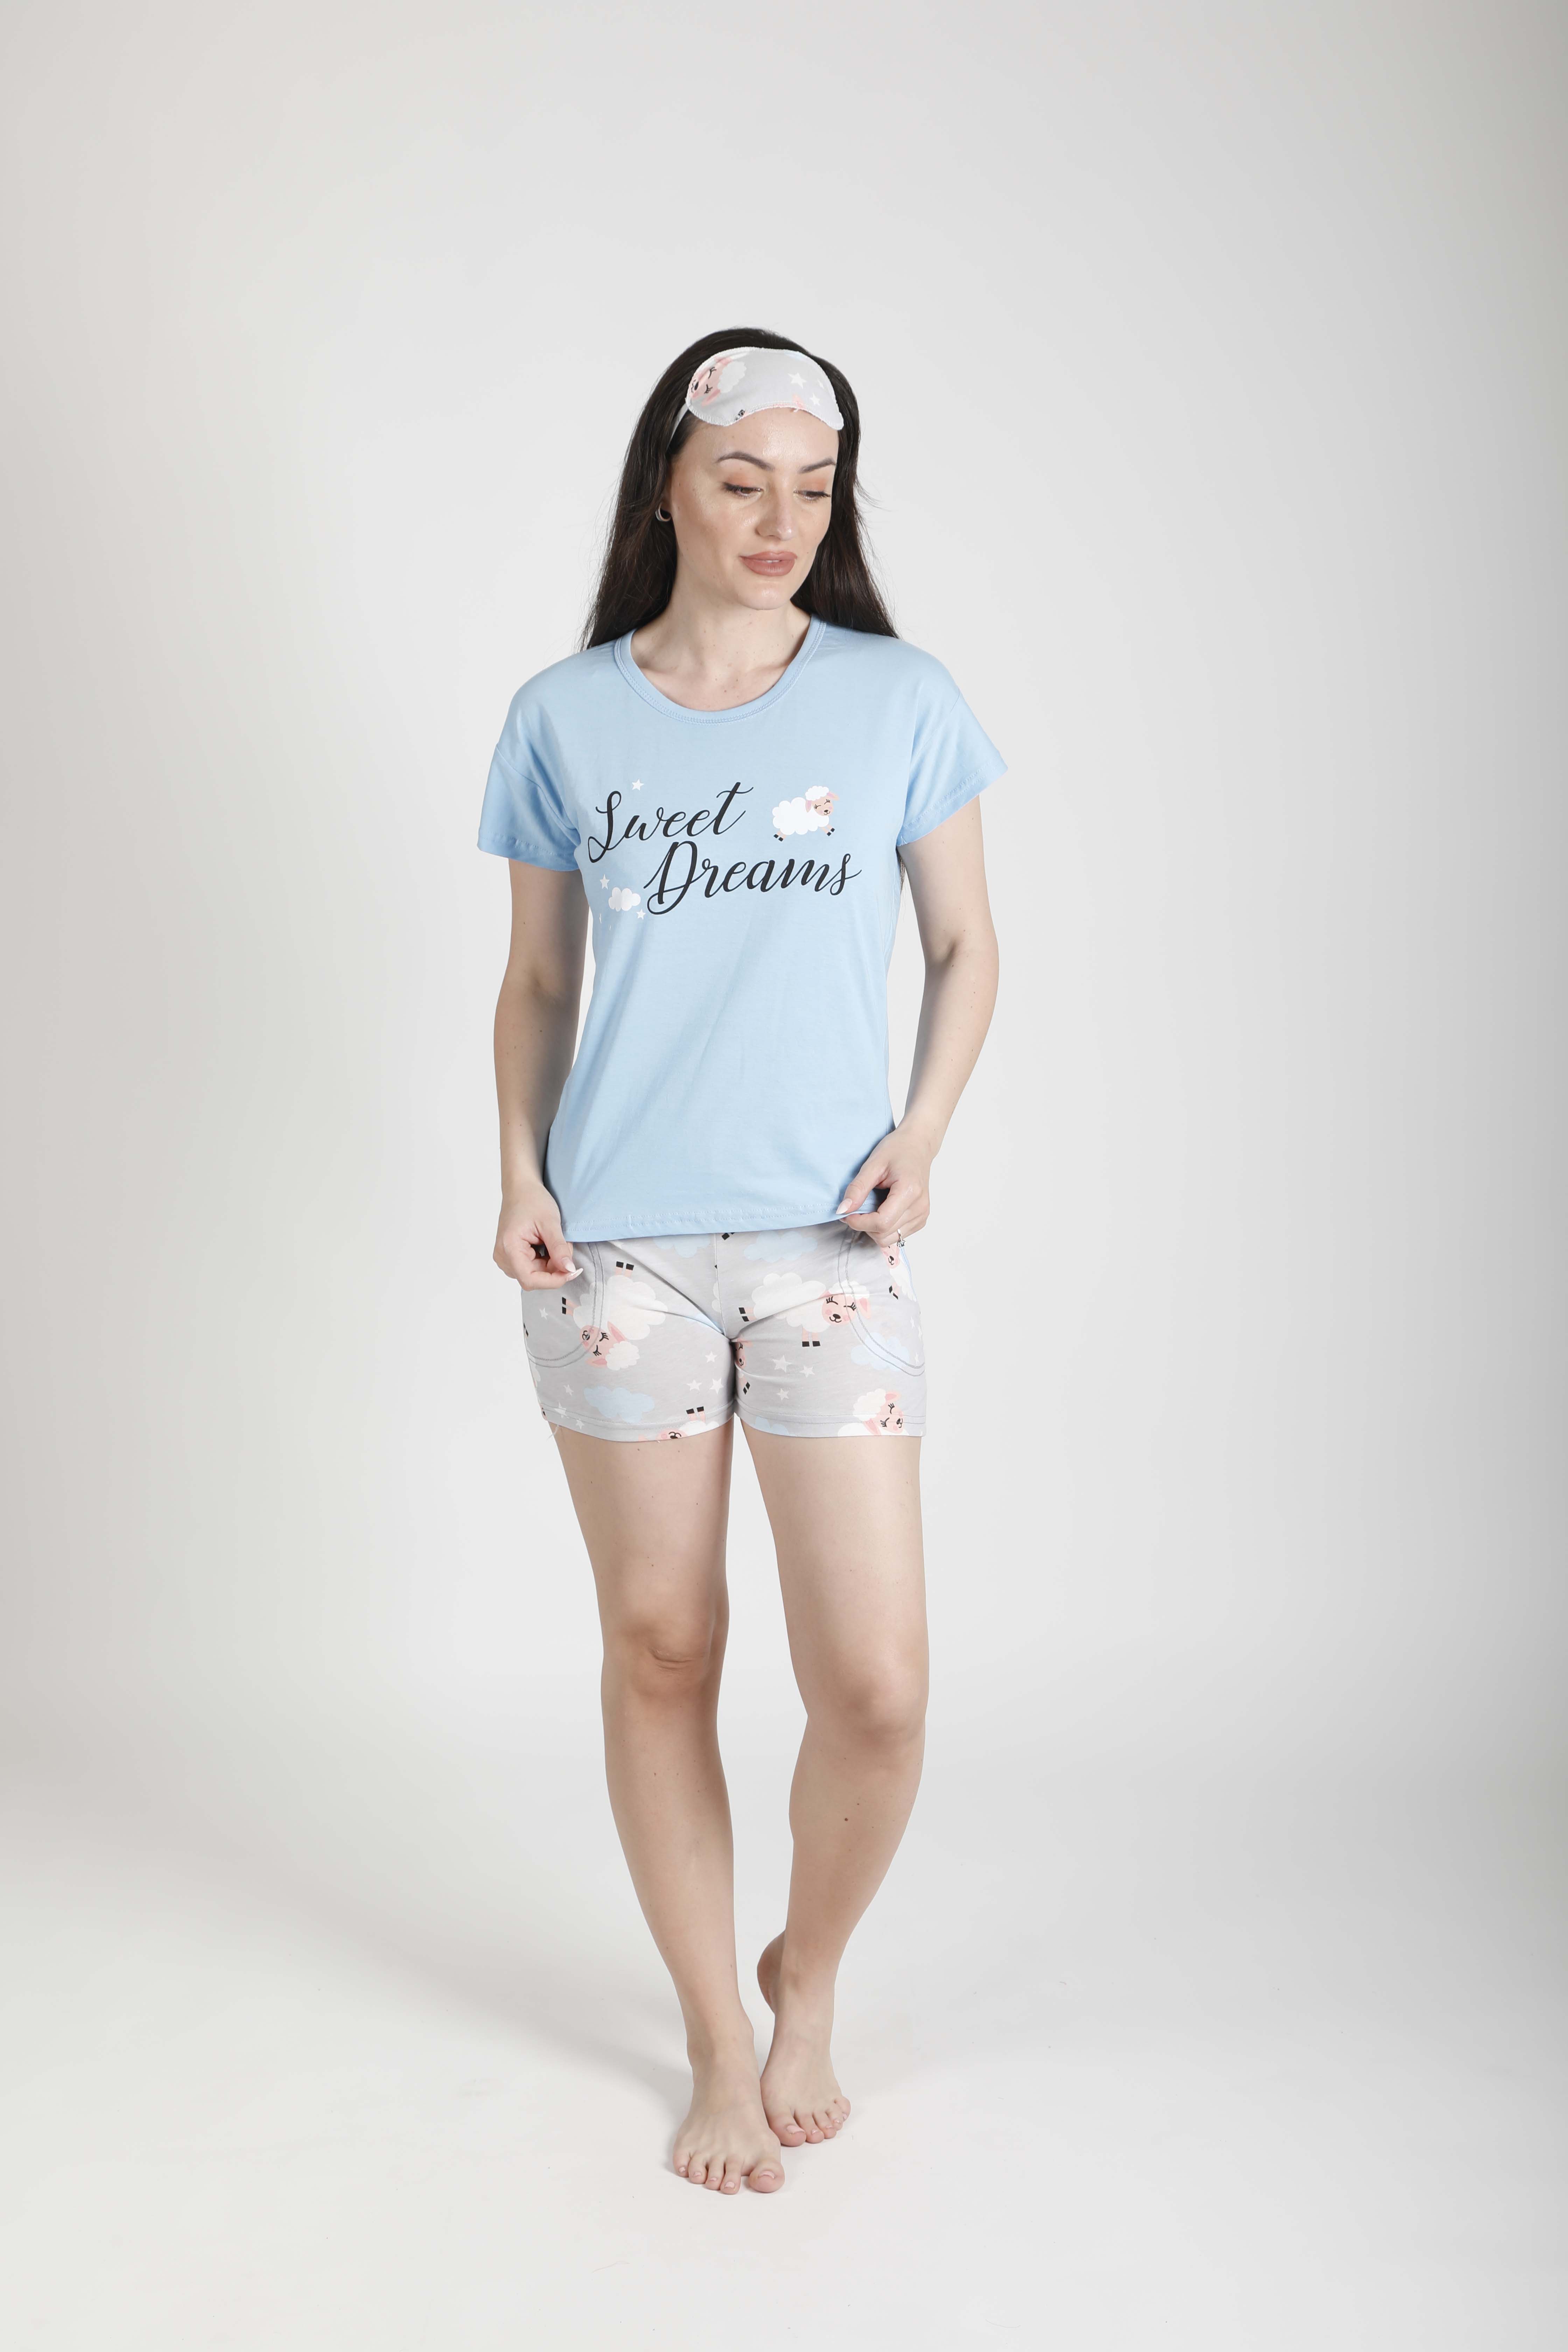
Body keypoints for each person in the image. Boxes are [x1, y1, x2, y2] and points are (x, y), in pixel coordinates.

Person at [479, 330, 1004, 2195]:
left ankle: (809, 1973)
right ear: (669, 489)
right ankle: (718, 2035)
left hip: (826, 1247)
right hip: (616, 1252)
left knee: (877, 1685)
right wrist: (520, 1170)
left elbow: (966, 947)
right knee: (662, 1645)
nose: (783, 520)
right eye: (741, 481)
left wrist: (923, 1131)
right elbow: (538, 983)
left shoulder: (897, 699)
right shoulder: (565, 716)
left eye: (814, 488)